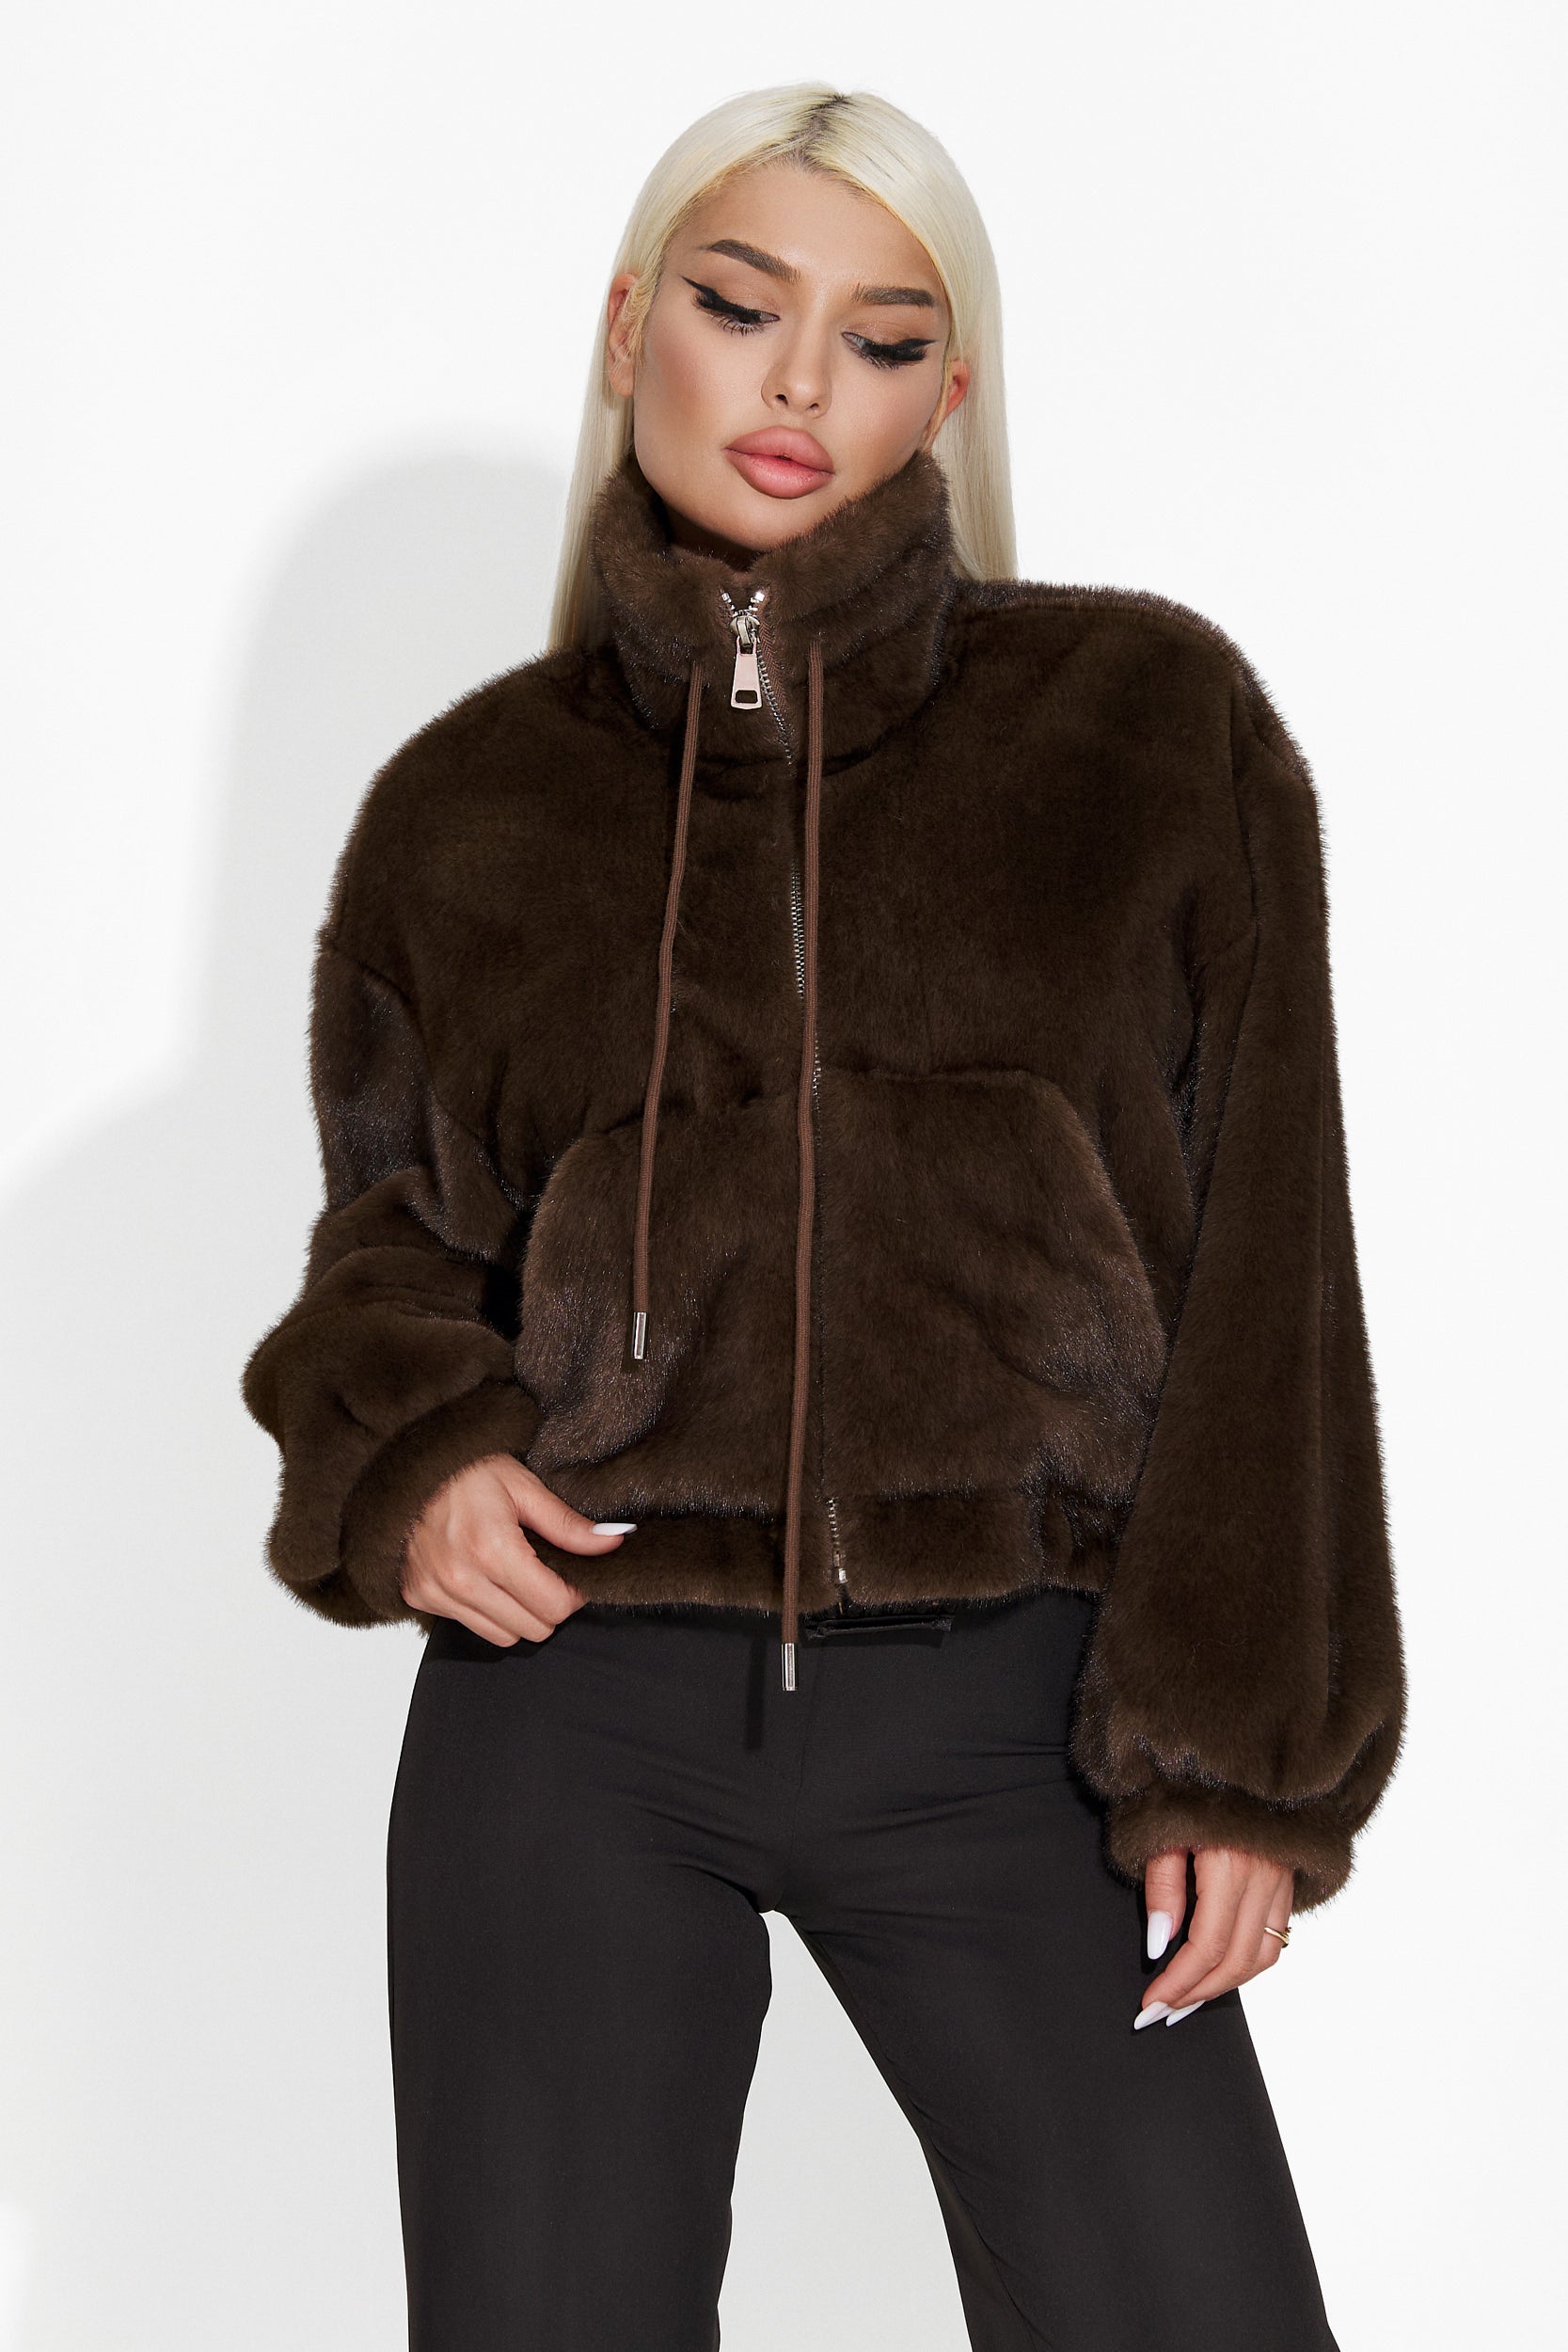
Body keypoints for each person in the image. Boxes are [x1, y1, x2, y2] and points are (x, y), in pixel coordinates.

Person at [241, 81, 1405, 2352]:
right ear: (628, 328)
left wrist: (1236, 1750)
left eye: (882, 338)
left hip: (1016, 1704)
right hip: (576, 1707)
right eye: (739, 304)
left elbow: (1272, 1281)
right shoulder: (467, 807)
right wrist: (417, 1457)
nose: (799, 383)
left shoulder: (1146, 732)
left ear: (948, 395)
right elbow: (390, 1236)